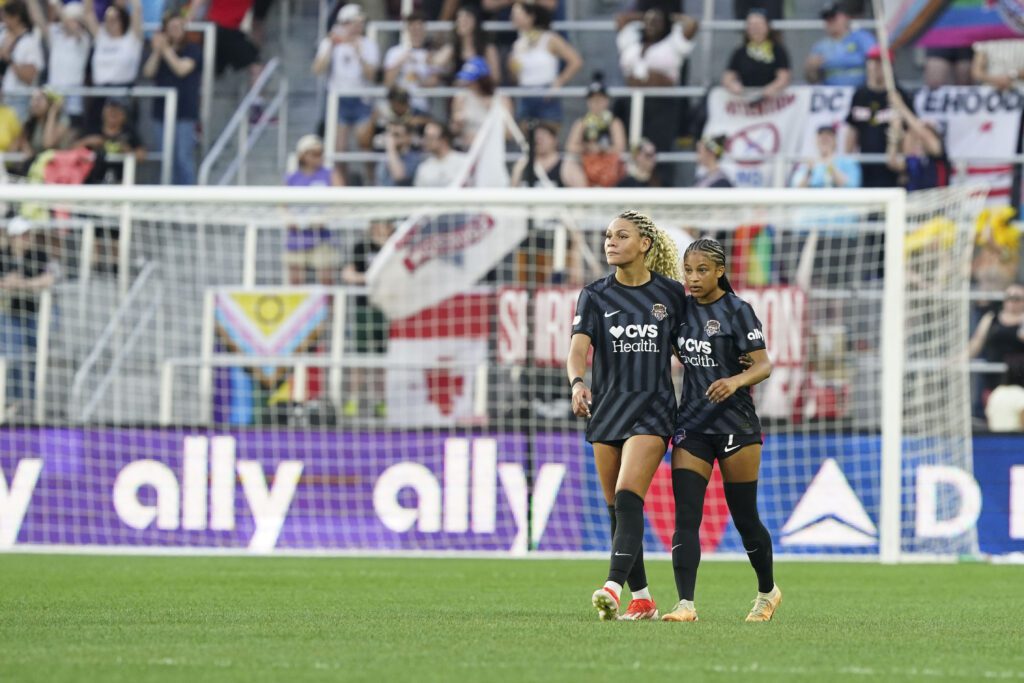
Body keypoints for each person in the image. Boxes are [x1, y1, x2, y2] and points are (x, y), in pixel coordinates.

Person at [568, 210, 685, 621]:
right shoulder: (595, 295)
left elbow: (688, 349)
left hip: (653, 409)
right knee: (617, 510)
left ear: (645, 244)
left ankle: (611, 589)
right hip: (607, 409)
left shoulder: (672, 295)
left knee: (628, 496)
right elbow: (578, 350)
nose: (610, 242)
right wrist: (578, 382)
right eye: (607, 236)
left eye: (621, 235)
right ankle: (644, 598)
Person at [661, 237, 778, 623]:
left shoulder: (738, 311)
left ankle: (767, 592)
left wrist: (736, 380)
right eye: (688, 270)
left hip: (736, 425)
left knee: (745, 517)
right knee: (687, 515)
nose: (693, 278)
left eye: (702, 271)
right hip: (692, 423)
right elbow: (681, 351)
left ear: (720, 271)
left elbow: (764, 365)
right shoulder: (680, 311)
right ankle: (685, 604)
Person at [616, 8, 698, 167]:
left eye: (656, 22)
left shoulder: (672, 44)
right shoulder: (632, 43)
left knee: (656, 154)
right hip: (631, 104)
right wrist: (645, 16)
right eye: (648, 22)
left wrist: (671, 17)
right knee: (630, 151)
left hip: (661, 106)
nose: (651, 24)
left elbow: (692, 24)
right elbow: (620, 19)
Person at [312, 3, 380, 184]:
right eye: (353, 23)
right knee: (339, 149)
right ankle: (344, 185)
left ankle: (372, 182)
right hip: (338, 100)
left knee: (365, 144)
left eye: (359, 23)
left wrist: (359, 52)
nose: (357, 27)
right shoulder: (330, 43)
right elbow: (317, 69)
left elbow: (371, 75)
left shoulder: (368, 45)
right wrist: (331, 46)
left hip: (361, 98)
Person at [0, 216, 57, 408]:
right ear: (12, 237)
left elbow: (49, 279)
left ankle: (33, 401)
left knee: (36, 357)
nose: (26, 239)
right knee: (12, 357)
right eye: (22, 235)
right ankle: (12, 400)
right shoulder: (3, 255)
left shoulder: (39, 255)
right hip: (10, 313)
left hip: (35, 314)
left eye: (27, 234)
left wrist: (22, 284)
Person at [341, 217, 394, 418]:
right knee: (360, 357)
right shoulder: (362, 247)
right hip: (364, 308)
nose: (381, 228)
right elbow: (348, 274)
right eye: (377, 224)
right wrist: (369, 279)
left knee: (383, 359)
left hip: (387, 308)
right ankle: (353, 400)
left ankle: (381, 401)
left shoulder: (394, 249)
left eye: (384, 224)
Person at [143, 12, 201, 185]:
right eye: (171, 28)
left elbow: (181, 69)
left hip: (184, 111)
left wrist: (166, 49)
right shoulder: (160, 52)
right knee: (166, 158)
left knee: (183, 157)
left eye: (178, 27)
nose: (175, 31)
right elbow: (148, 72)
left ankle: (188, 198)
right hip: (161, 112)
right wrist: (157, 52)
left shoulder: (192, 49)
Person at [507, 1, 582, 129]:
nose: (513, 18)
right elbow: (515, 76)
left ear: (531, 16)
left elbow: (576, 61)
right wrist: (513, 67)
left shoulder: (550, 38)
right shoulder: (518, 44)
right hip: (525, 94)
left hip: (547, 94)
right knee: (526, 141)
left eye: (518, 13)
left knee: (548, 136)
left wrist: (559, 82)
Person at [283, 134, 342, 285]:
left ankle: (330, 310)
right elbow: (282, 205)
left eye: (321, 153)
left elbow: (341, 200)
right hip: (297, 236)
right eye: (314, 153)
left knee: (327, 280)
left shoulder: (330, 174)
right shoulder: (291, 178)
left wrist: (324, 218)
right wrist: (290, 219)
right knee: (295, 281)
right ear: (303, 155)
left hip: (323, 236)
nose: (319, 157)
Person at [845, 45, 907, 188]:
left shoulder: (899, 95)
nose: (874, 67)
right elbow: (852, 130)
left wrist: (905, 168)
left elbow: (909, 133)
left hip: (891, 167)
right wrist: (847, 162)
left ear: (889, 67)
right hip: (865, 164)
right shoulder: (860, 95)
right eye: (872, 61)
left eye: (880, 62)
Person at [26, 0, 91, 130]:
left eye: (74, 20)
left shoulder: (83, 39)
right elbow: (38, 19)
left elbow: (68, 25)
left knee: (70, 134)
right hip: (52, 95)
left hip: (72, 99)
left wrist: (56, 4)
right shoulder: (56, 36)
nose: (70, 22)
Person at [83, 0, 143, 129]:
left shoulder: (131, 39)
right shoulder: (101, 37)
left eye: (114, 18)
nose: (110, 22)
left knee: (122, 135)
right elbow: (88, 13)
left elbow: (137, 10)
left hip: (122, 93)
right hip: (99, 93)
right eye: (107, 18)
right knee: (94, 132)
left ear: (122, 20)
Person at [566, 74, 626, 188]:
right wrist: (587, 148)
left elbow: (620, 147)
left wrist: (601, 149)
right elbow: (570, 146)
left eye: (600, 99)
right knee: (569, 164)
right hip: (586, 165)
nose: (596, 103)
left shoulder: (614, 122)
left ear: (606, 101)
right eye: (593, 100)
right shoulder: (582, 122)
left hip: (608, 166)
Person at [970, 283, 1024, 405]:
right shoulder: (990, 318)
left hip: (1019, 381)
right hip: (994, 380)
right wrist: (956, 359)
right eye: (1008, 297)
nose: (1012, 302)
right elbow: (976, 343)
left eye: (1016, 298)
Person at [886, 91, 948, 192]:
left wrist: (900, 105)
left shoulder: (939, 156)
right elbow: (892, 163)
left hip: (937, 204)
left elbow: (924, 135)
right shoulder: (913, 161)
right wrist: (894, 135)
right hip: (914, 204)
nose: (917, 137)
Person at [721, 9, 790, 99]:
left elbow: (784, 76)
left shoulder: (778, 50)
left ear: (767, 27)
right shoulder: (740, 51)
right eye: (752, 25)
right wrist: (733, 86)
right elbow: (728, 76)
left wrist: (771, 88)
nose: (755, 29)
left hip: (773, 101)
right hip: (746, 100)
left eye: (759, 25)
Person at [804, 2, 875, 87]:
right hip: (831, 95)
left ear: (845, 17)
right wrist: (811, 69)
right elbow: (812, 80)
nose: (829, 22)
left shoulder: (862, 38)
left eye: (833, 17)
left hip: (860, 92)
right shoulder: (820, 46)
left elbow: (876, 62)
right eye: (826, 19)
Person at [450, 56, 511, 150]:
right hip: (468, 149)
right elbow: (453, 131)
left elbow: (508, 133)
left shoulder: (501, 98)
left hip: (493, 149)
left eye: (472, 80)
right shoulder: (461, 97)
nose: (468, 83)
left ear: (482, 80)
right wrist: (457, 124)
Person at [383, 10, 439, 111]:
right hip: (398, 105)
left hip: (420, 106)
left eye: (420, 27)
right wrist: (401, 61)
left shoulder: (429, 55)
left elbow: (433, 83)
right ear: (407, 29)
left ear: (424, 30)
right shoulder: (394, 52)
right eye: (413, 27)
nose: (416, 31)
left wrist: (420, 79)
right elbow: (388, 82)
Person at [431, 4, 500, 85]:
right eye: (459, 18)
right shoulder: (453, 47)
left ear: (475, 21)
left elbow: (495, 78)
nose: (462, 22)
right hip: (459, 93)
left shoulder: (487, 48)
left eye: (466, 18)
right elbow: (436, 63)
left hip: (481, 93)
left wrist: (475, 78)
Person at [0, 0, 44, 121]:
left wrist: (9, 60)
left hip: (19, 100)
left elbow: (29, 77)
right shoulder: (2, 37)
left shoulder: (30, 43)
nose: (3, 21)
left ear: (16, 18)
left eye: (6, 17)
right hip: (3, 97)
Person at [510, 120, 585, 188]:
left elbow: (582, 192)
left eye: (543, 136)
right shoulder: (522, 164)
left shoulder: (567, 166)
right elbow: (512, 191)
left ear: (554, 140)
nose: (539, 140)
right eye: (536, 137)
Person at [791, 125, 861, 189]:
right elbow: (797, 188)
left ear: (835, 140)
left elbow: (852, 186)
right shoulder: (808, 164)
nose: (824, 140)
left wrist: (831, 166)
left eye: (828, 137)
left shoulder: (847, 162)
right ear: (816, 141)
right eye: (821, 137)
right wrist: (809, 172)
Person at [15, 89, 70, 157]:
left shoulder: (62, 120)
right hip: (37, 163)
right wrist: (25, 147)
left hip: (56, 162)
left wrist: (52, 113)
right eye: (32, 99)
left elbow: (48, 143)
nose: (34, 103)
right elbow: (21, 144)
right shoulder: (30, 122)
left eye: (38, 100)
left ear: (50, 102)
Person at [413, 120, 466, 187]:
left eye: (430, 138)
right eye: (425, 137)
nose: (426, 141)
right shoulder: (424, 167)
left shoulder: (464, 161)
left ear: (444, 140)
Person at [376, 120, 422, 186]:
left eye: (396, 135)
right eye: (389, 134)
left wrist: (391, 148)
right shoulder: (384, 157)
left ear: (408, 137)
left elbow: (399, 177)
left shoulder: (415, 158)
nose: (390, 138)